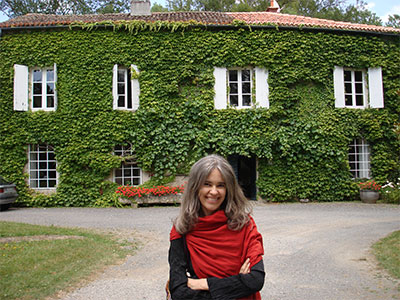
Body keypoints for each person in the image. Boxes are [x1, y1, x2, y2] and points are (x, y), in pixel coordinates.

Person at [168, 154, 265, 299]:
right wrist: (236, 284)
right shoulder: (182, 229)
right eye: (207, 184)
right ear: (195, 187)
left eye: (220, 185)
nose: (214, 191)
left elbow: (255, 280)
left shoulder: (244, 225)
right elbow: (179, 291)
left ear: (228, 190)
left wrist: (201, 284)